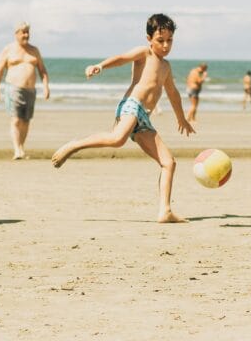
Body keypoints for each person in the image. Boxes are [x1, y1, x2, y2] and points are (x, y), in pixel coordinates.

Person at [51, 14, 194, 223]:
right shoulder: (144, 53)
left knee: (169, 163)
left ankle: (165, 210)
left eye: (169, 41)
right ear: (149, 39)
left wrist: (181, 118)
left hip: (144, 118)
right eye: (160, 40)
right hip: (132, 105)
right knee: (117, 139)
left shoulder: (166, 67)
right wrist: (100, 65)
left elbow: (173, 93)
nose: (165, 45)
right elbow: (121, 58)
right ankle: (76, 145)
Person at [0, 21, 50, 160]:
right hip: (14, 88)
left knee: (26, 120)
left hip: (30, 90)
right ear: (16, 34)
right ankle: (17, 149)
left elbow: (42, 70)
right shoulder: (8, 50)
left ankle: (21, 148)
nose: (26, 35)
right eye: (23, 32)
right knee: (16, 119)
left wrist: (46, 86)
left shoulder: (34, 50)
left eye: (27, 32)